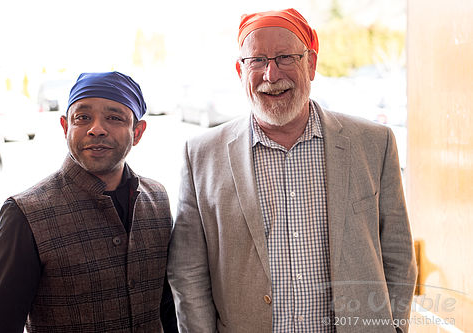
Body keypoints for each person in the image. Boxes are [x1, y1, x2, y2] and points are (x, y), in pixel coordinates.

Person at [167, 8, 416, 333]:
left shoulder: (373, 143)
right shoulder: (200, 155)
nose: (271, 74)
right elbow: (188, 272)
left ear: (310, 63)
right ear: (240, 71)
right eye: (257, 60)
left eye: (285, 57)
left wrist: (395, 328)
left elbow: (397, 252)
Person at [0, 72, 178, 333]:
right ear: (65, 127)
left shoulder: (157, 199)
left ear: (137, 132)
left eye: (114, 118)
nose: (96, 128)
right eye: (83, 117)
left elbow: (167, 307)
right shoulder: (25, 213)